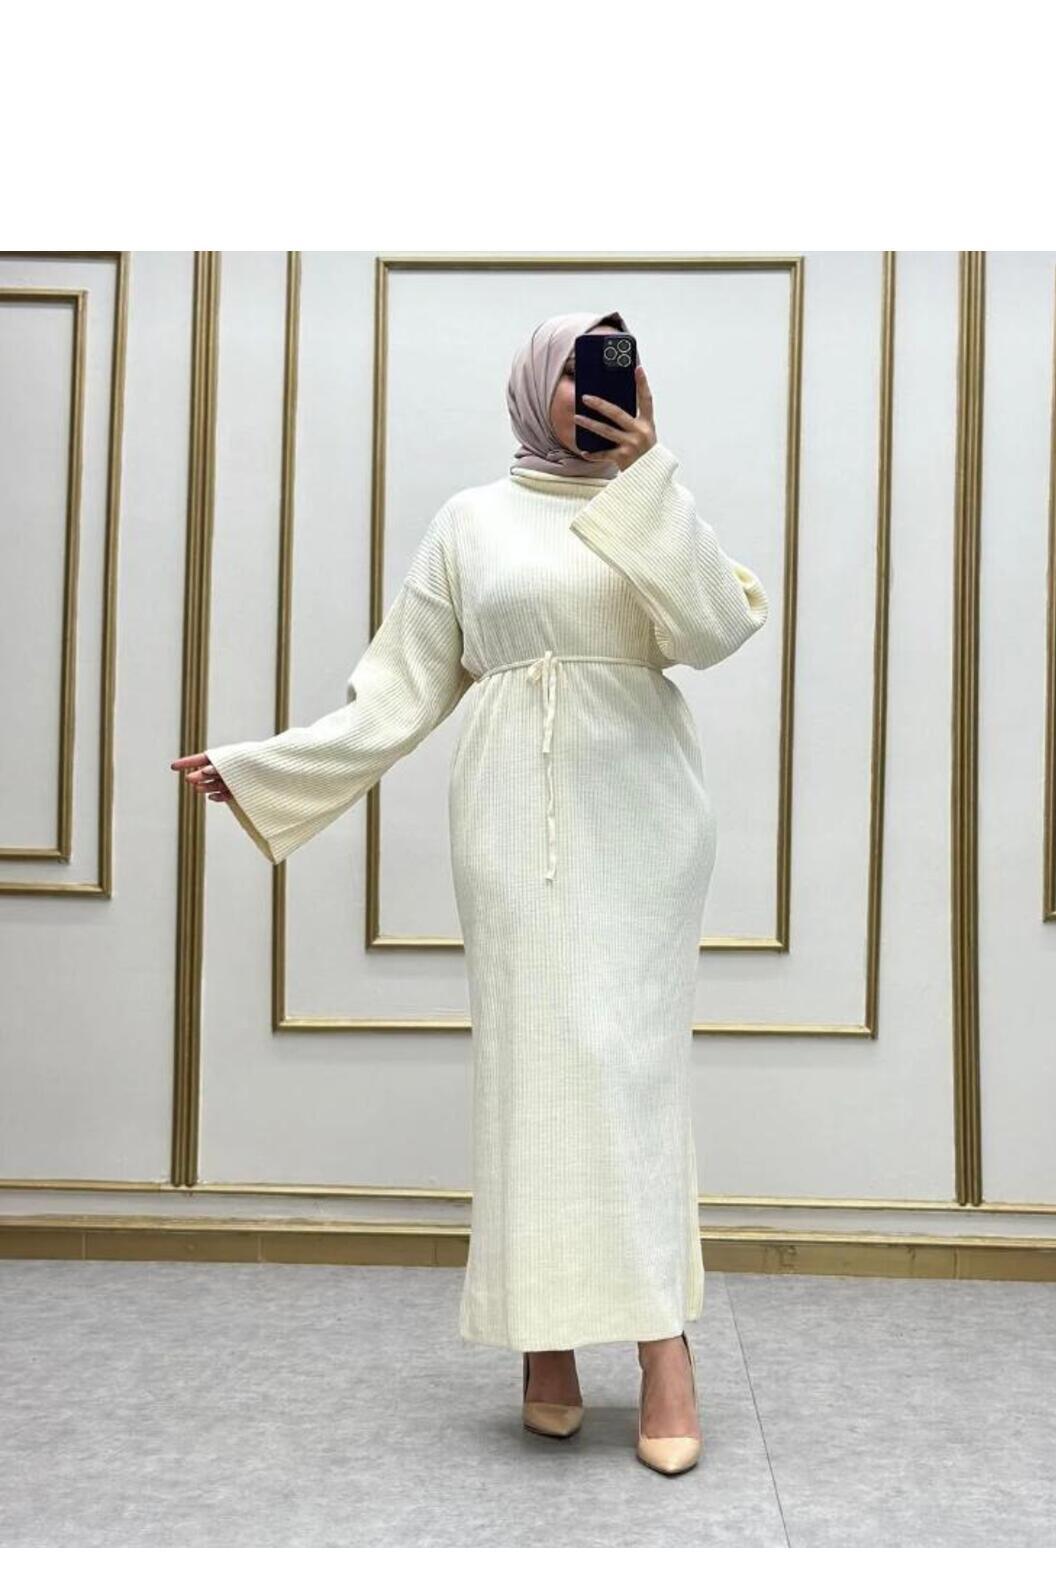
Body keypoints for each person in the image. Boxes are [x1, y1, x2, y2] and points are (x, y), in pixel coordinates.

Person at [172, 309, 768, 1476]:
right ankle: (545, 1341)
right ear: (537, 385)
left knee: (633, 1076)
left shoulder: (652, 504)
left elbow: (713, 631)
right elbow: (398, 690)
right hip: (510, 828)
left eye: (620, 369)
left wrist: (651, 477)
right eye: (582, 371)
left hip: (646, 824)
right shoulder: (470, 522)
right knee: (533, 1079)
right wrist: (264, 769)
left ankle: (665, 1347)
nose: (602, 389)